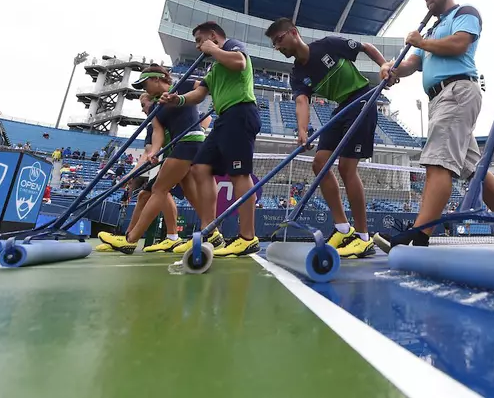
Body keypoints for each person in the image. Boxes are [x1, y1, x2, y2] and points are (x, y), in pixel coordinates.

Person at [374, 0, 494, 252]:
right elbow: (411, 64)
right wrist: (392, 69)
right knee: (477, 172)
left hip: (456, 91)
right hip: (442, 99)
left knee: (438, 164)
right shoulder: (432, 30)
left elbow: (460, 44)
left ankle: (419, 236)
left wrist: (420, 42)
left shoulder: (464, 13)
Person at [265, 17, 387, 258]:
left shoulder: (328, 45)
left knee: (346, 167)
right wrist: (302, 131)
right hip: (341, 108)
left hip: (362, 98)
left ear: (293, 32)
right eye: (275, 45)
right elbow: (301, 101)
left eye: (279, 40)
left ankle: (363, 238)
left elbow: (366, 47)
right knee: (319, 163)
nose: (278, 48)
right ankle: (343, 228)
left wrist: (385, 67)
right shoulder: (297, 74)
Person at [160, 21, 262, 258]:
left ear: (213, 36)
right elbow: (199, 94)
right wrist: (178, 100)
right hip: (224, 118)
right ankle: (209, 231)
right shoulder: (214, 68)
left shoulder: (232, 47)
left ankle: (248, 237)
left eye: (199, 40)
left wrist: (213, 50)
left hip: (241, 112)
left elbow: (239, 63)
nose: (198, 47)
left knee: (239, 173)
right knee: (200, 168)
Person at [98, 73, 207, 254]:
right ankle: (213, 231)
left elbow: (204, 88)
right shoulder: (156, 107)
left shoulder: (183, 84)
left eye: (144, 84)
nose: (143, 88)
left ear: (157, 79)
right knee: (188, 192)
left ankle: (130, 240)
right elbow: (157, 132)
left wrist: (180, 99)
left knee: (158, 190)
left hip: (190, 140)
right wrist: (155, 151)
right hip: (179, 147)